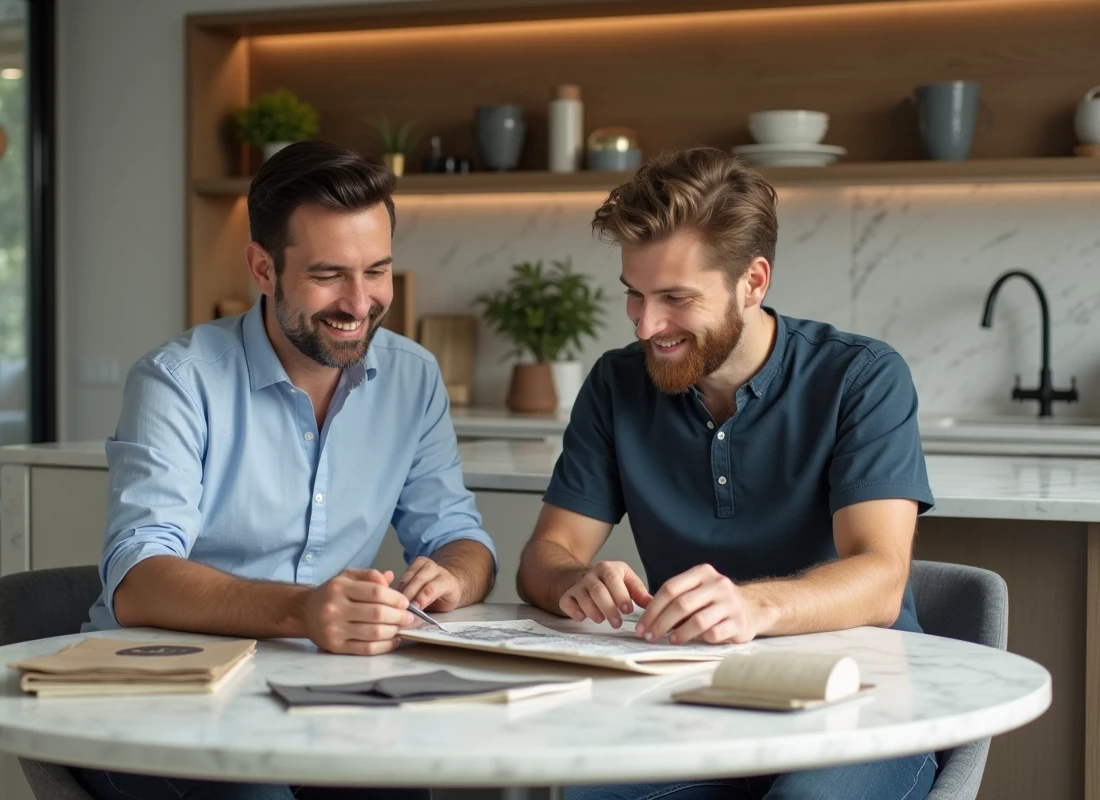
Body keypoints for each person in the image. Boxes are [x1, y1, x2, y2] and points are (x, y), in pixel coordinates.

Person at [75, 141, 497, 800]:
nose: (360, 304)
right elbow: (137, 580)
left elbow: (461, 537)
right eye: (329, 275)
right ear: (262, 267)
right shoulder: (179, 382)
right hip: (162, 696)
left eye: (378, 271)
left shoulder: (412, 377)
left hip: (323, 693)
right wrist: (303, 611)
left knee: (419, 785)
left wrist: (452, 576)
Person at [515, 147, 937, 800]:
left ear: (754, 281)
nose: (648, 325)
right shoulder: (616, 385)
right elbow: (545, 557)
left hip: (860, 699)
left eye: (676, 299)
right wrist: (574, 579)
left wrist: (750, 606)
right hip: (692, 704)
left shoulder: (862, 377)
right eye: (635, 295)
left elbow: (881, 577)